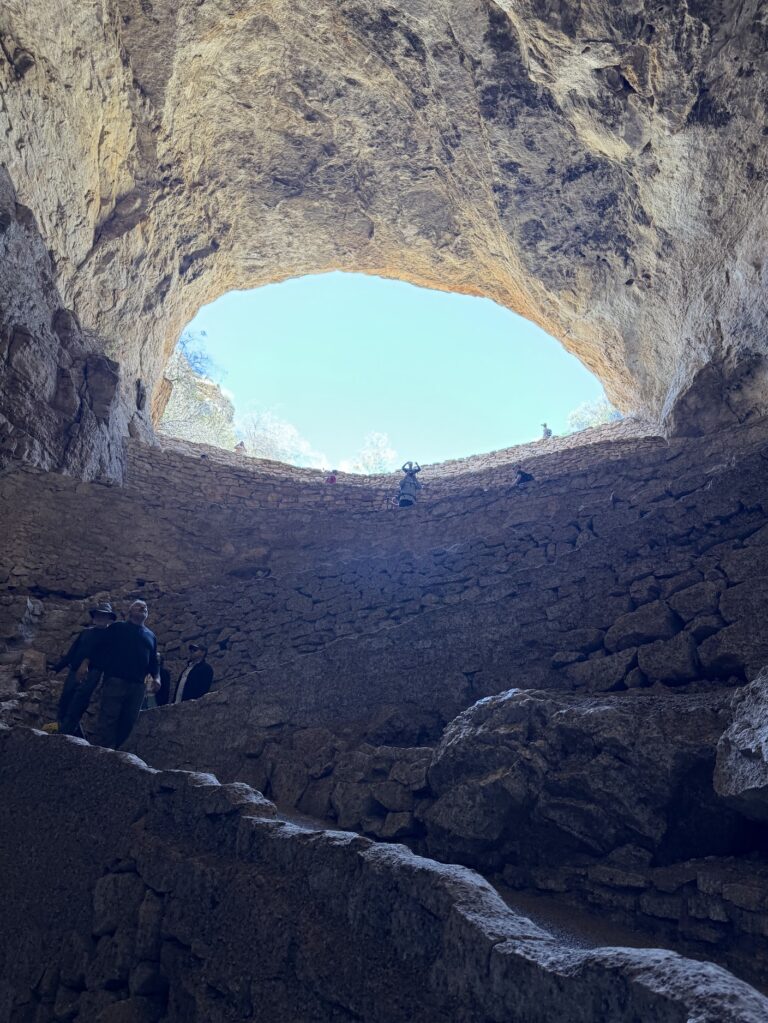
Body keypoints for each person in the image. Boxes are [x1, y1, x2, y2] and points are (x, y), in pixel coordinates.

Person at [92, 599, 160, 749]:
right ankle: (101, 753)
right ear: (130, 612)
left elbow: (154, 662)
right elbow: (101, 648)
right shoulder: (118, 628)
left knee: (129, 721)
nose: (143, 607)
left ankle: (116, 754)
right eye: (138, 606)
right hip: (116, 680)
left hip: (138, 686)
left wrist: (157, 678)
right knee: (108, 719)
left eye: (145, 607)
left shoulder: (151, 636)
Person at [43, 602, 117, 736]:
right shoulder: (86, 633)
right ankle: (72, 735)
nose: (100, 617)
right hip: (74, 671)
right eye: (98, 614)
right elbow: (72, 652)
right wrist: (57, 668)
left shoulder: (110, 636)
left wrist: (87, 663)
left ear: (108, 618)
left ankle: (62, 735)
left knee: (78, 703)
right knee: (65, 701)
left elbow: (104, 657)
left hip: (93, 673)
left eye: (103, 615)